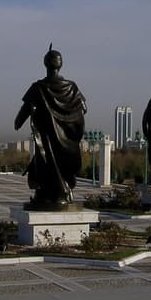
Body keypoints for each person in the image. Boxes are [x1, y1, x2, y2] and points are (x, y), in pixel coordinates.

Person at [13, 49, 88, 211]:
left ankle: (50, 195)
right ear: (60, 65)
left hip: (47, 143)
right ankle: (61, 193)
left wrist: (18, 122)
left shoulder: (38, 87)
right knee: (61, 169)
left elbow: (24, 112)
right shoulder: (72, 87)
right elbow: (84, 108)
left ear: (45, 64)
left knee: (45, 168)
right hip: (67, 142)